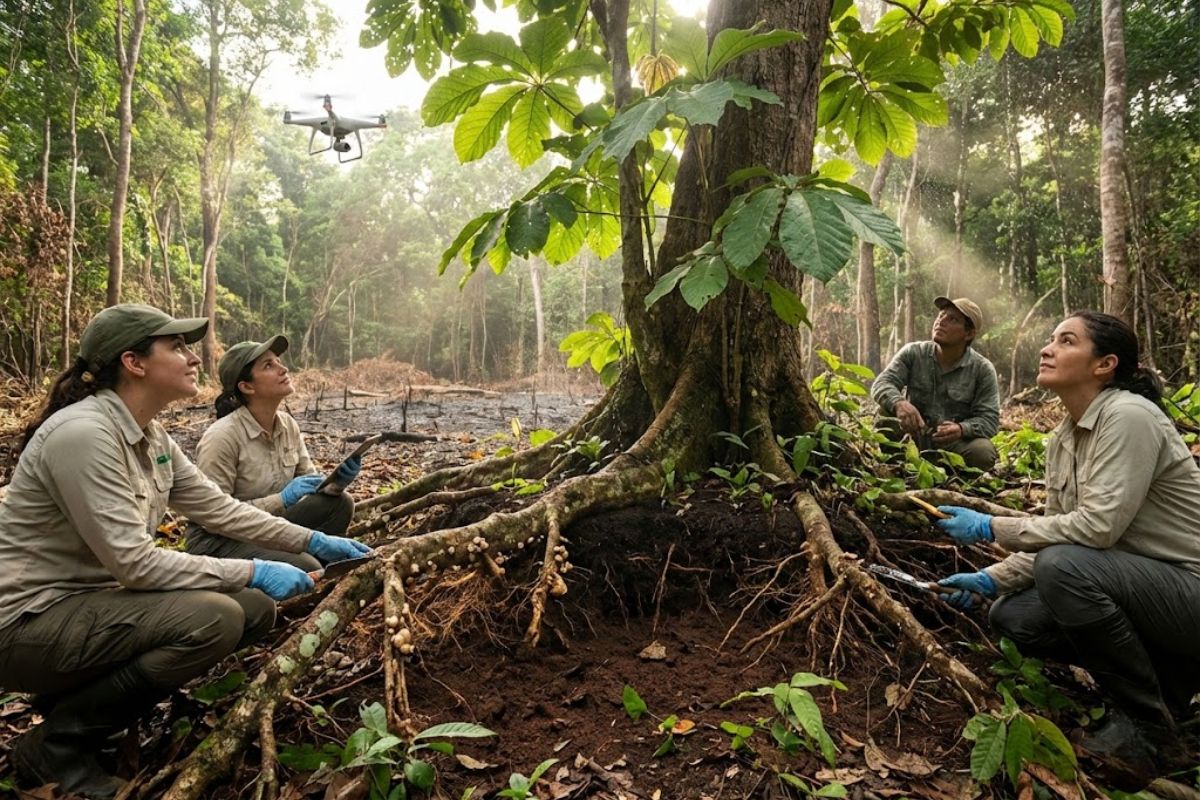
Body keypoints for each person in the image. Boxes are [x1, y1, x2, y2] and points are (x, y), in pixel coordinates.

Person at [0, 305, 371, 798]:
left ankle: (77, 704)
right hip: (26, 623)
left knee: (254, 609)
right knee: (213, 617)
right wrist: (253, 566)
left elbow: (219, 508)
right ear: (134, 363)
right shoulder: (84, 435)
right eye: (175, 347)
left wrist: (312, 540)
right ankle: (58, 744)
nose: (192, 358)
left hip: (84, 607)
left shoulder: (151, 435)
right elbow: (135, 562)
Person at [934, 311, 1200, 790]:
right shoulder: (1064, 438)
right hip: (1143, 589)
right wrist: (992, 579)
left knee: (1065, 569)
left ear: (1105, 364)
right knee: (1012, 617)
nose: (1047, 348)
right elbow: (1065, 534)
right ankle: (1168, 687)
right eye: (1050, 339)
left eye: (1066, 341)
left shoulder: (1128, 416)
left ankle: (1150, 727)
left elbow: (1095, 529)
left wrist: (992, 525)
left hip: (1188, 591)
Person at [185, 335, 360, 572]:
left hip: (269, 525)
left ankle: (323, 564)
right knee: (307, 566)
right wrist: (281, 499)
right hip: (220, 541)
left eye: (278, 360)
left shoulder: (287, 424)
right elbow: (213, 520)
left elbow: (309, 482)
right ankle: (306, 570)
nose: (283, 368)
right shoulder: (222, 437)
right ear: (247, 387)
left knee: (339, 503)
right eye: (269, 365)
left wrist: (334, 483)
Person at [871, 296, 1000, 470]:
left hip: (952, 448)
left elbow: (990, 420)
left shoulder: (982, 369)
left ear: (969, 333)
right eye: (941, 316)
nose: (941, 322)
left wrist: (962, 429)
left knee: (983, 452)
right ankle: (897, 467)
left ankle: (954, 481)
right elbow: (882, 382)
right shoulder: (913, 353)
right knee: (886, 410)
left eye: (952, 319)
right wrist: (899, 403)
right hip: (910, 440)